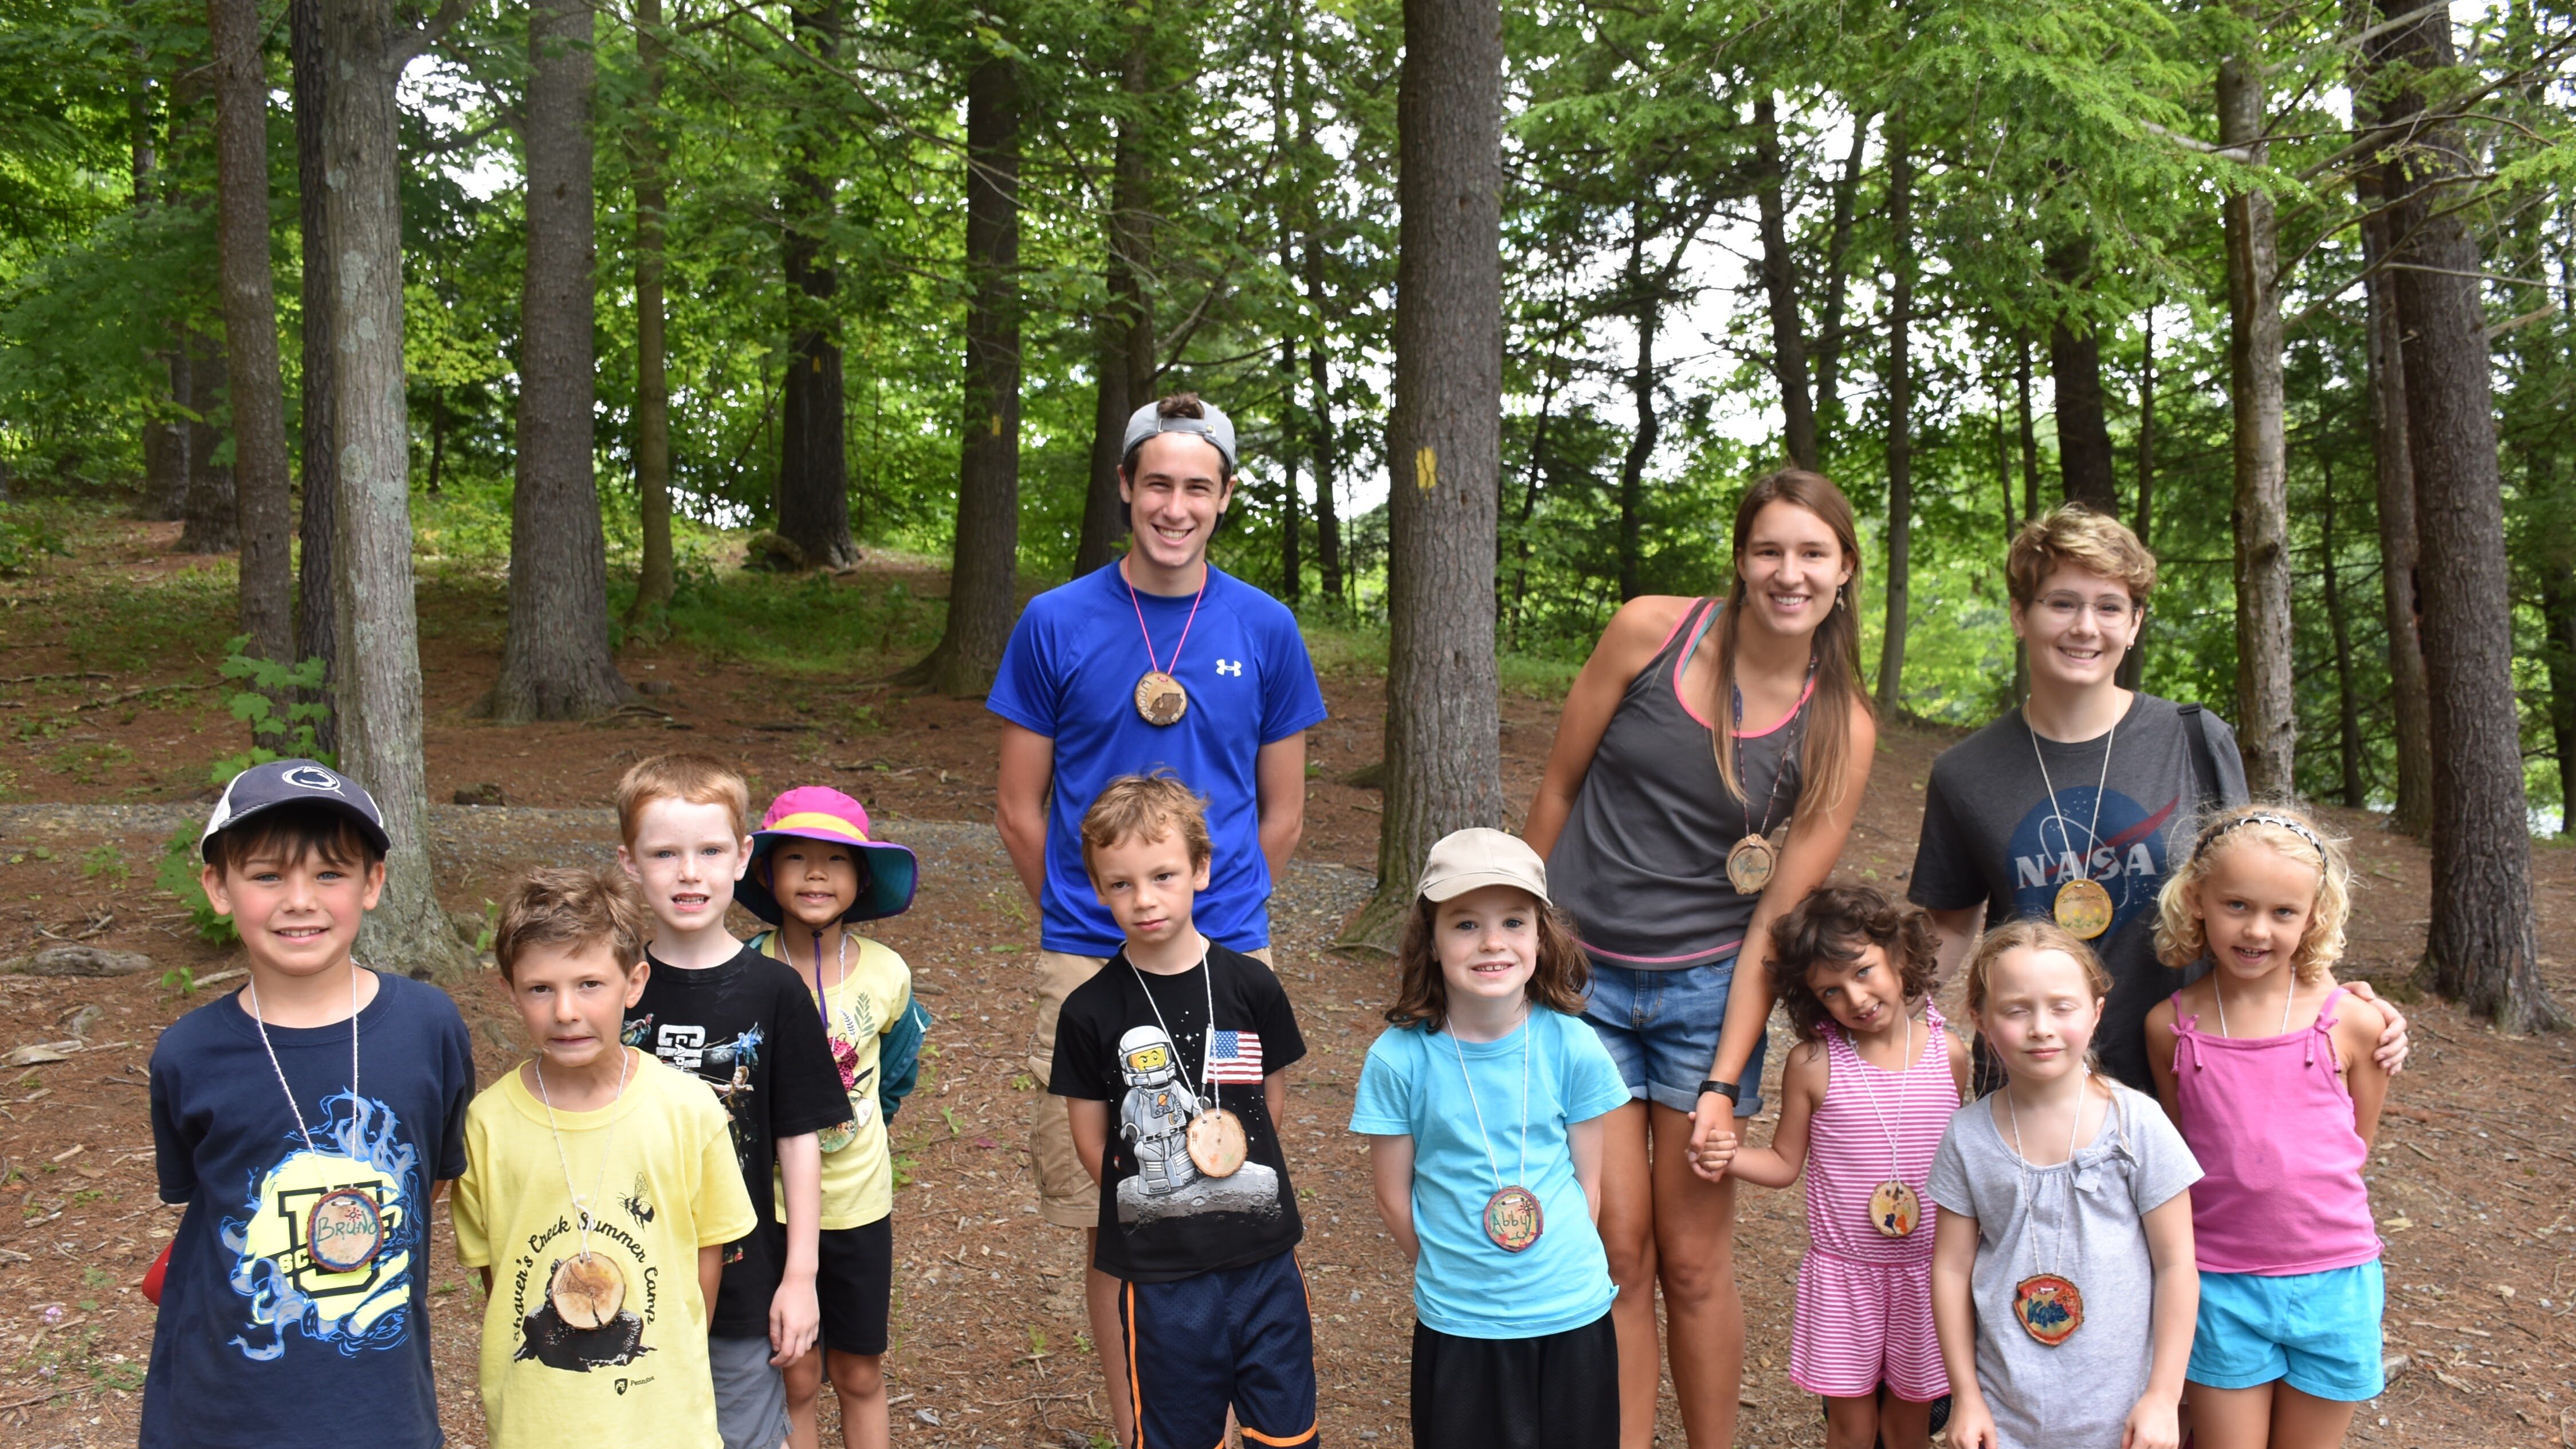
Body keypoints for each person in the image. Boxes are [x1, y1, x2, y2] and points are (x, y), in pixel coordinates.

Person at [991, 391, 1326, 1438]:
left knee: (1227, 1173)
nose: (1174, 506)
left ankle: (1231, 1408)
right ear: (1127, 489)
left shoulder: (1264, 626)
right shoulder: (1056, 619)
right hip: (1088, 956)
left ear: (1222, 497)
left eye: (1197, 487)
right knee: (1118, 1194)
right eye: (1156, 484)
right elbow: (1017, 801)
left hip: (1226, 947)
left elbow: (1283, 807)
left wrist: (1211, 922)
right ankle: (1141, 1416)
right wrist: (1092, 913)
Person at [1525, 467, 1878, 1448]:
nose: (1788, 572)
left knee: (1691, 1260)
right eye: (1769, 548)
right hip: (1580, 981)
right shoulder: (1649, 630)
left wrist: (1725, 1079)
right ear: (1739, 556)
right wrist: (1530, 950)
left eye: (1812, 552)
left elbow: (1776, 916)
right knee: (1619, 1250)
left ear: (1844, 569)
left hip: (1703, 997)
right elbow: (1555, 791)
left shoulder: (1839, 724)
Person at [1905, 503, 2407, 1095]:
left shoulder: (2193, 739)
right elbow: (1950, 926)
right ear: (2020, 614)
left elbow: (2266, 892)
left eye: (2108, 607)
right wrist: (1883, 1020)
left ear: (2135, 622)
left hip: (2191, 1070)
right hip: (2031, 1080)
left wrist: (2333, 1002)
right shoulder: (1966, 772)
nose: (2084, 627)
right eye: (2061, 603)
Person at [143, 760, 475, 1449]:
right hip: (225, 1412)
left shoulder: (428, 1026)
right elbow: (205, 1203)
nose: (301, 900)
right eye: (267, 876)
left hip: (380, 1406)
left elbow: (428, 1184)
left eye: (330, 874)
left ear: (374, 883)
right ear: (218, 888)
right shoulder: (189, 1053)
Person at [1047, 775, 1315, 1449]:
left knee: (1284, 1433)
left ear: (1199, 869)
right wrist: (1165, 1189)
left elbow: (1264, 1103)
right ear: (1097, 888)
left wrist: (1223, 1167)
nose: (1143, 900)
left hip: (1261, 1258)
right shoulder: (1090, 1011)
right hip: (1159, 1275)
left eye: (1162, 875)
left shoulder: (1249, 986)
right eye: (1120, 884)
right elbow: (1091, 1139)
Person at [453, 867, 757, 1449]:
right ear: (509, 991)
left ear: (634, 982)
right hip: (536, 1421)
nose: (565, 1011)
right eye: (541, 988)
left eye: (589, 984)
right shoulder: (487, 1125)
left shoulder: (686, 1109)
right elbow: (497, 1271)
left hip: (662, 1420)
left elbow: (707, 1255)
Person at [1350, 828, 1629, 1449]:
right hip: (1460, 1322)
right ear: (1431, 938)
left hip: (1570, 1314)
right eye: (1465, 925)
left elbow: (1589, 1188)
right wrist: (1452, 1269)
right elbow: (1393, 1199)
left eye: (1512, 921)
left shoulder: (1572, 1045)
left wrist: (1547, 1272)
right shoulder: (1398, 1061)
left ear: (1540, 934)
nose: (1492, 943)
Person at [615, 753, 850, 1449]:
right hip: (629, 1275)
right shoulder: (608, 986)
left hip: (746, 1287)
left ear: (743, 857)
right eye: (665, 853)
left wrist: (800, 1277)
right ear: (629, 862)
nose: (690, 873)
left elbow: (798, 1140)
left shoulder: (776, 993)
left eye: (711, 851)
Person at [2146, 807, 2390, 1448]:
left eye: (2283, 912)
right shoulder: (2169, 1026)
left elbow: (2356, 1141)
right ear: (2196, 899)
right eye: (2236, 905)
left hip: (2334, 1280)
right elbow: (2183, 1148)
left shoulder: (2351, 1023)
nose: (2256, 930)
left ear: (2314, 914)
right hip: (2221, 1282)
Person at [1697, 886, 1970, 1449]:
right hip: (1846, 1279)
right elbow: (1781, 1163)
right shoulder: (1814, 1065)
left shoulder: (1950, 1055)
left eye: (1864, 971)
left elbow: (1960, 1163)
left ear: (1898, 954)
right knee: (1849, 1426)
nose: (1855, 998)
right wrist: (1728, 1159)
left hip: (1928, 1274)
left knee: (1909, 1423)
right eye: (1831, 990)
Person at [1928, 920, 2202, 1449]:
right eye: (2015, 1009)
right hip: (2005, 1410)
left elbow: (2176, 1265)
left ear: (2096, 1012)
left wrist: (2164, 1397)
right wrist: (1966, 1394)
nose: (2041, 1027)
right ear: (1981, 1020)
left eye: (2062, 1006)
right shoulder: (1966, 1137)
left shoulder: (2138, 1123)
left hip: (2120, 1415)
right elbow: (1951, 1267)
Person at [737, 786, 927, 1449]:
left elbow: (898, 1069)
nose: (816, 874)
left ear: (862, 878)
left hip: (858, 1205)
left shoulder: (886, 974)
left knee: (857, 1369)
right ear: (765, 873)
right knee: (795, 1370)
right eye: (795, 857)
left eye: (836, 860)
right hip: (770, 1208)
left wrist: (860, 1128)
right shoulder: (748, 973)